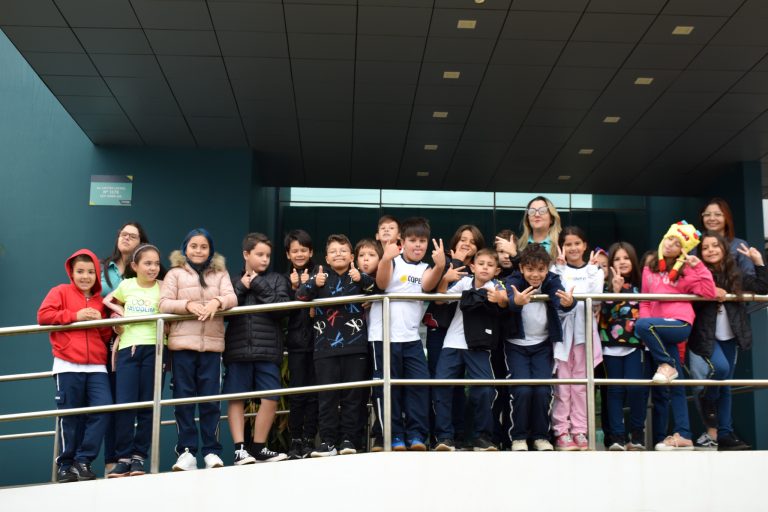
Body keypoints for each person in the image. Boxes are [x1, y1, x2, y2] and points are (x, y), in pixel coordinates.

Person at [635, 221, 716, 451]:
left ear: (684, 249)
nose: (671, 244)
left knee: (641, 325)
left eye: (678, 243)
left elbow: (709, 293)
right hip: (657, 331)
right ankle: (685, 435)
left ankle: (666, 365)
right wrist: (649, 333)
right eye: (670, 238)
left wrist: (699, 267)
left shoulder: (688, 269)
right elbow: (645, 301)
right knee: (677, 384)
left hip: (680, 324)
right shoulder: (650, 267)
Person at [159, 228, 237, 470]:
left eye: (204, 246)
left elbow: (232, 298)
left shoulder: (221, 273)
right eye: (193, 246)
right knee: (183, 400)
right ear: (185, 248)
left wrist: (217, 302)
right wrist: (188, 305)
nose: (198, 251)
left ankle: (212, 451)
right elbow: (163, 303)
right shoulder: (174, 273)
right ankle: (186, 452)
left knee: (211, 401)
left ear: (210, 250)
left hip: (212, 347)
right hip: (182, 346)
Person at [297, 234, 376, 456]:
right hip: (324, 348)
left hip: (356, 346)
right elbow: (300, 296)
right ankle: (328, 442)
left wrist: (362, 279)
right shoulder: (320, 277)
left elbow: (378, 291)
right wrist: (313, 283)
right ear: (327, 258)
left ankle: (350, 440)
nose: (338, 254)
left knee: (354, 397)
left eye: (343, 251)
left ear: (352, 257)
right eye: (333, 251)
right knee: (327, 397)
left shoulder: (359, 277)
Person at [38, 249, 113, 482]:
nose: (85, 276)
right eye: (80, 271)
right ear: (71, 272)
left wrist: (102, 322)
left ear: (97, 275)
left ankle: (83, 460)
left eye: (91, 272)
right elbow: (43, 316)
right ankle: (65, 465)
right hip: (67, 365)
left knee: (103, 409)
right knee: (70, 417)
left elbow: (105, 335)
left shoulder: (100, 301)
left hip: (97, 367)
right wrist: (75, 315)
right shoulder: (60, 291)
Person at [372, 217, 446, 451]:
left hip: (411, 338)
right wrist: (386, 258)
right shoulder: (391, 261)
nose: (418, 245)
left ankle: (416, 435)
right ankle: (394, 436)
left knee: (418, 385)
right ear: (402, 242)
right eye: (412, 240)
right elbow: (382, 284)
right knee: (389, 388)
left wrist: (440, 266)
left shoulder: (425, 268)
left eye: (422, 241)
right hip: (384, 337)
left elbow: (428, 285)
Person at [688, 233, 767, 451]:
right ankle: (707, 397)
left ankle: (724, 433)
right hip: (706, 336)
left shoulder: (735, 273)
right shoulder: (697, 273)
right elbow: (688, 291)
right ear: (700, 253)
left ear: (724, 249)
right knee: (721, 370)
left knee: (725, 386)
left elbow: (762, 287)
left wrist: (758, 261)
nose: (711, 250)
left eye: (715, 246)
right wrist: (710, 290)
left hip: (730, 337)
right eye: (705, 248)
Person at [223, 233, 289, 465]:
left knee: (271, 397)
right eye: (260, 254)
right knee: (236, 398)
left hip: (267, 349)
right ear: (246, 254)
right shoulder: (232, 281)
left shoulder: (277, 279)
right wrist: (241, 287)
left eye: (268, 255)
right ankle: (239, 449)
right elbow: (223, 311)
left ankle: (259, 447)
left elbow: (283, 310)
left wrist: (258, 284)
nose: (265, 259)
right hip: (238, 348)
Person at [432, 248, 508, 452]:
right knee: (441, 387)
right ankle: (444, 437)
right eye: (481, 264)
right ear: (472, 267)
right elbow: (439, 300)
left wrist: (500, 299)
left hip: (479, 346)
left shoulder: (496, 285)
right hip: (452, 343)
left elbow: (504, 300)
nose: (485, 268)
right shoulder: (464, 282)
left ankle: (482, 437)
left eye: (490, 265)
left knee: (485, 390)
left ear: (497, 270)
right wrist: (445, 279)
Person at [504, 244, 575, 451]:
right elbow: (510, 298)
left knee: (543, 390)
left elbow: (560, 298)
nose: (535, 275)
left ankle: (541, 436)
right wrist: (516, 301)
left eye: (541, 269)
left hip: (542, 346)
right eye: (530, 269)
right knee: (522, 390)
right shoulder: (514, 280)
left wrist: (568, 303)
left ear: (547, 268)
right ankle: (518, 437)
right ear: (522, 268)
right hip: (516, 346)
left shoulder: (552, 280)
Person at [103, 244, 165, 477]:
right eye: (147, 263)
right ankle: (123, 458)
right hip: (128, 349)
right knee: (125, 405)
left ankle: (139, 458)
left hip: (156, 349)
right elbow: (110, 301)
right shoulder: (126, 285)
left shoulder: (163, 287)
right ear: (135, 266)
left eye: (156, 263)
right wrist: (117, 319)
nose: (153, 268)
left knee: (148, 406)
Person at [423, 224, 484, 447]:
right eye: (463, 239)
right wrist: (454, 264)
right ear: (455, 241)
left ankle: (460, 435)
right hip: (440, 331)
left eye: (473, 241)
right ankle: (440, 435)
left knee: (461, 386)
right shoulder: (443, 261)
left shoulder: (480, 268)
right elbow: (433, 293)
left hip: (467, 333)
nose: (467, 244)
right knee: (441, 383)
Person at [100, 221, 150, 474]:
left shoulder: (148, 269)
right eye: (123, 234)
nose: (126, 238)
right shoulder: (103, 268)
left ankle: (133, 457)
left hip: (134, 341)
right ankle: (113, 460)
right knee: (112, 402)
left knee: (134, 402)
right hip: (104, 341)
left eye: (133, 235)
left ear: (142, 242)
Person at [550, 226, 604, 450]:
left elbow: (596, 298)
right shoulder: (555, 269)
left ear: (584, 245)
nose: (573, 248)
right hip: (563, 336)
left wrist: (591, 271)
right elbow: (557, 297)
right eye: (568, 244)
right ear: (562, 247)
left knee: (581, 386)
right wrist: (560, 269)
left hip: (585, 336)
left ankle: (580, 430)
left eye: (577, 243)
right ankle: (561, 431)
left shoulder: (595, 270)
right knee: (562, 386)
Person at [598, 242, 647, 451]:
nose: (622, 262)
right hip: (610, 347)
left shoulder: (641, 285)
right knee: (615, 391)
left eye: (626, 258)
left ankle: (637, 436)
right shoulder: (603, 285)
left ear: (633, 260)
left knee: (636, 389)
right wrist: (614, 292)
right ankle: (617, 437)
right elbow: (602, 317)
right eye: (617, 259)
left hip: (635, 346)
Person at [283, 229, 318, 459]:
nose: (299, 254)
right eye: (295, 250)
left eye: (303, 250)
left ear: (311, 252)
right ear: (288, 254)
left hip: (319, 341)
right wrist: (293, 289)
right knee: (297, 393)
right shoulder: (283, 279)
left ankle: (309, 439)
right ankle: (295, 440)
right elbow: (282, 313)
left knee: (314, 393)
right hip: (296, 343)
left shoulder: (320, 275)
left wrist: (309, 288)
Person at [700, 198, 755, 276]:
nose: (712, 218)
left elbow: (749, 276)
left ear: (727, 217)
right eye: (707, 214)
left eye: (718, 214)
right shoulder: (695, 245)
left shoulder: (739, 245)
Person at [517, 196, 562, 261]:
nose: (537, 215)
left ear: (552, 219)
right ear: (528, 219)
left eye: (542, 211)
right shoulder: (519, 246)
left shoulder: (561, 244)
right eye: (532, 211)